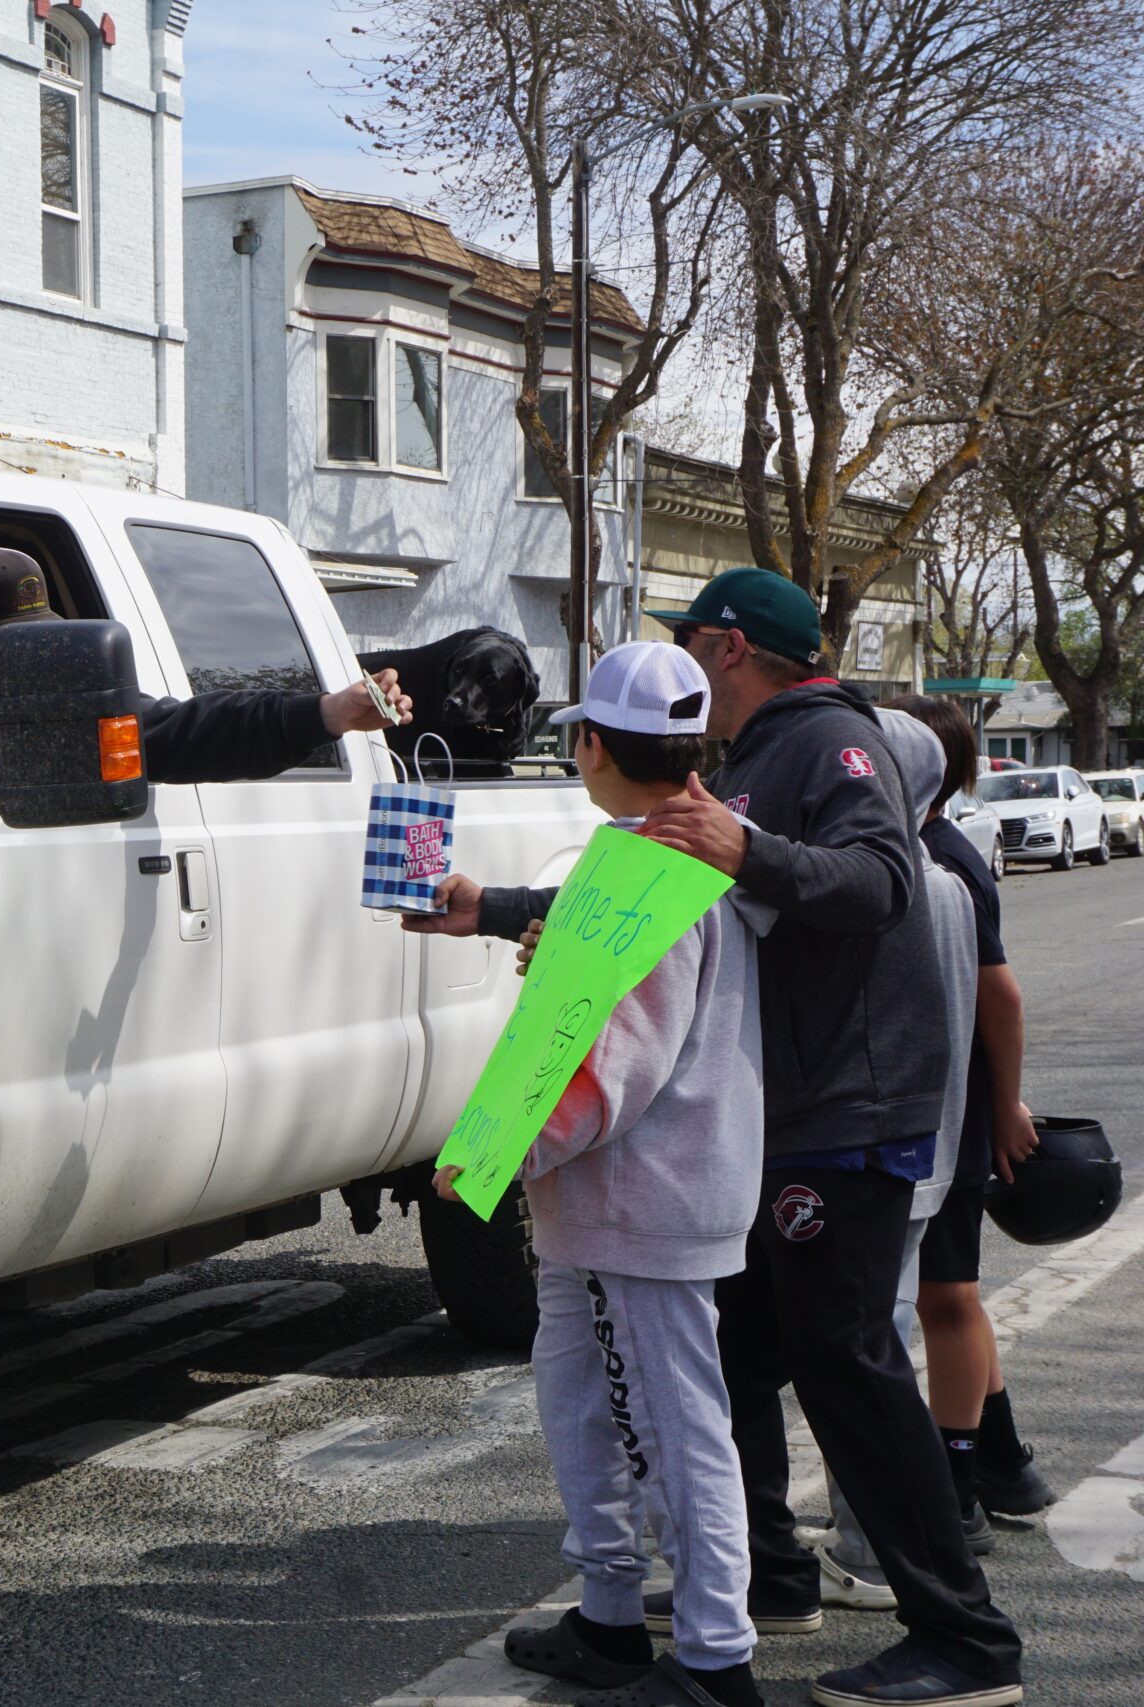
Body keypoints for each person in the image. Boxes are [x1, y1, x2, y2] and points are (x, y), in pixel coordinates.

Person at [406, 567, 1023, 1707]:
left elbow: (875, 884)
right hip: (756, 1133)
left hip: (814, 1126)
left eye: (693, 636)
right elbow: (635, 913)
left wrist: (501, 1155)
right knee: (722, 1377)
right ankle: (744, 1588)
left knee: (822, 1371)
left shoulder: (825, 743)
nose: (687, 656)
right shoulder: (725, 782)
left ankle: (943, 1634)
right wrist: (498, 910)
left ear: (729, 647)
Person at [439, 643, 773, 1707]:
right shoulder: (694, 852)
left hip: (643, 1199)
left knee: (671, 1430)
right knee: (589, 1404)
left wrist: (496, 1154)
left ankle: (715, 1660)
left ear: (589, 744)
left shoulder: (643, 874)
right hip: (632, 1196)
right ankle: (611, 1615)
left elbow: (610, 1064)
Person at [811, 709, 981, 1603]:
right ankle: (874, 1539)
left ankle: (872, 1551)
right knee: (874, 1344)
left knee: (863, 1354)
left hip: (883, 1151)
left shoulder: (894, 887)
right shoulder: (943, 880)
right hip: (928, 1148)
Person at [887, 696, 1054, 1520]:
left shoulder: (941, 860)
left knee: (945, 1296)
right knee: (947, 1294)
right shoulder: (923, 847)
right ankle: (1001, 1459)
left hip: (949, 1112)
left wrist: (1006, 1103)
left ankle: (956, 1493)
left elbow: (1002, 997)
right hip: (945, 1106)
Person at [0, 547, 411, 784]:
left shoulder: (62, 695)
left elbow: (192, 729)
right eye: (15, 641)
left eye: (43, 637)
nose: (37, 655)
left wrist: (328, 712)